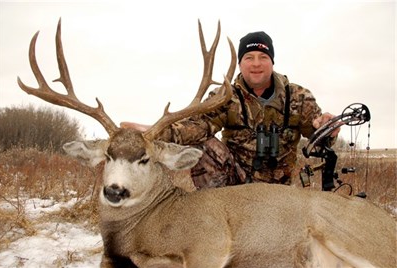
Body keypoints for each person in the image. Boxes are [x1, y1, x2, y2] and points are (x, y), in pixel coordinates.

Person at [121, 31, 340, 189]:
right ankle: (214, 214)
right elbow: (197, 126)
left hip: (279, 191)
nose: (256, 63)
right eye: (249, 58)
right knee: (202, 145)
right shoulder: (225, 97)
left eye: (263, 57)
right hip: (233, 187)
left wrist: (327, 129)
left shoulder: (298, 97)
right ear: (240, 64)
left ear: (272, 62)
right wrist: (157, 131)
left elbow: (318, 138)